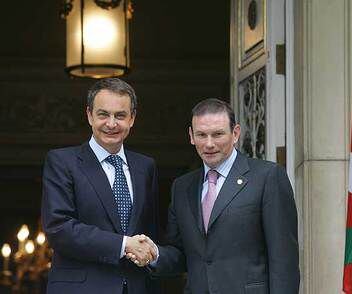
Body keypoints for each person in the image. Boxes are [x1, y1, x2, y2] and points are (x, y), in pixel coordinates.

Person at [130, 98, 300, 293]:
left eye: (217, 134)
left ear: (235, 133)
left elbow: (283, 259)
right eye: (201, 135)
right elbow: (181, 253)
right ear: (191, 136)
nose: (209, 144)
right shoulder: (182, 187)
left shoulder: (267, 177)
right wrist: (154, 253)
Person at [41, 78, 159, 294]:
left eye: (120, 115)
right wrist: (124, 245)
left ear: (132, 118)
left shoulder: (146, 167)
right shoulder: (62, 162)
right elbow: (59, 228)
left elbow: (150, 232)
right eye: (103, 114)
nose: (111, 124)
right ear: (89, 115)